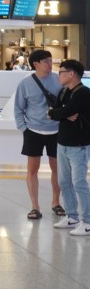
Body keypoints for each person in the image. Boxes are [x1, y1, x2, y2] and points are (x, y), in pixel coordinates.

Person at [13, 49, 63, 220]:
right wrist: (24, 128)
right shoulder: (25, 84)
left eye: (51, 61)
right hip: (33, 131)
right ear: (36, 64)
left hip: (56, 130)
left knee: (57, 168)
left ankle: (56, 202)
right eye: (46, 61)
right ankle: (35, 206)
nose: (50, 64)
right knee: (32, 168)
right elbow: (18, 108)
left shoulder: (59, 80)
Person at [49, 59, 90, 235]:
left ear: (71, 74)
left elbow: (61, 112)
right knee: (64, 182)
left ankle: (87, 221)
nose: (59, 75)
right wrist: (60, 113)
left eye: (61, 71)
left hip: (78, 144)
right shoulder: (64, 91)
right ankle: (72, 216)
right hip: (62, 142)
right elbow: (55, 112)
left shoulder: (83, 93)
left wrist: (60, 113)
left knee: (79, 182)